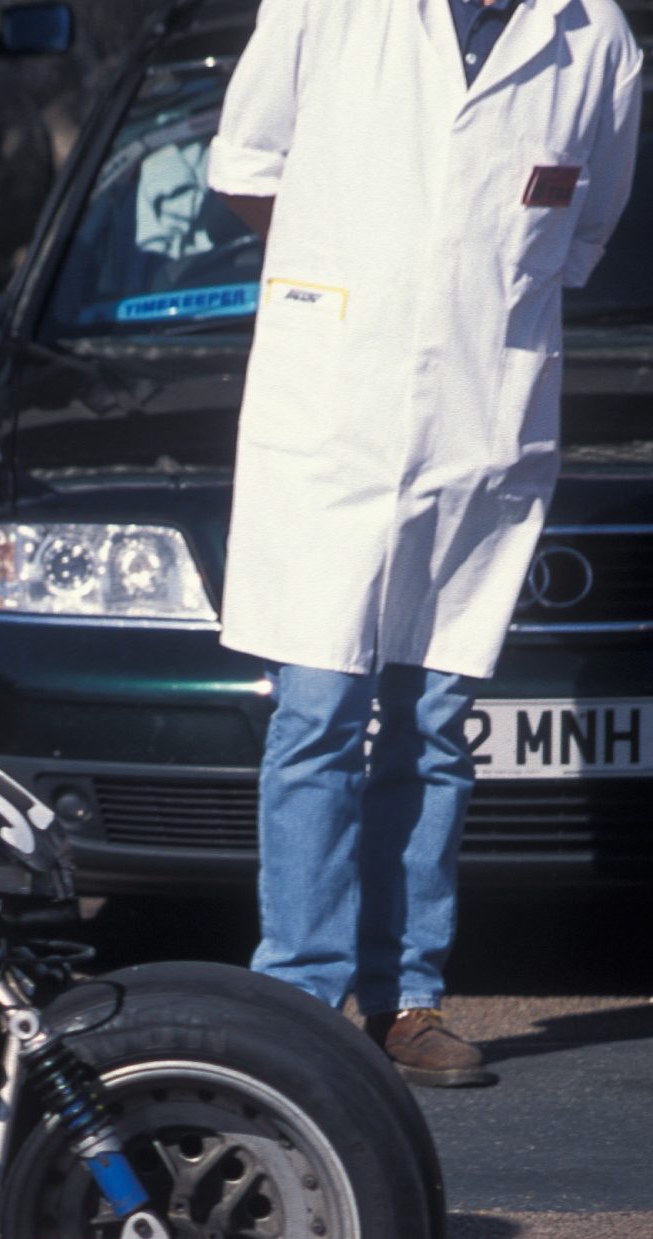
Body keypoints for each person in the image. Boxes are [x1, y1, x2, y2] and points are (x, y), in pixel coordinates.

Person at [208, 0, 639, 1086]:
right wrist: (352, 277)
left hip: (476, 420)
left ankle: (406, 998)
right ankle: (301, 998)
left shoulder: (597, 40)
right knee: (315, 715)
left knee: (433, 726)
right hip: (332, 410)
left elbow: (579, 233)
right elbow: (245, 166)